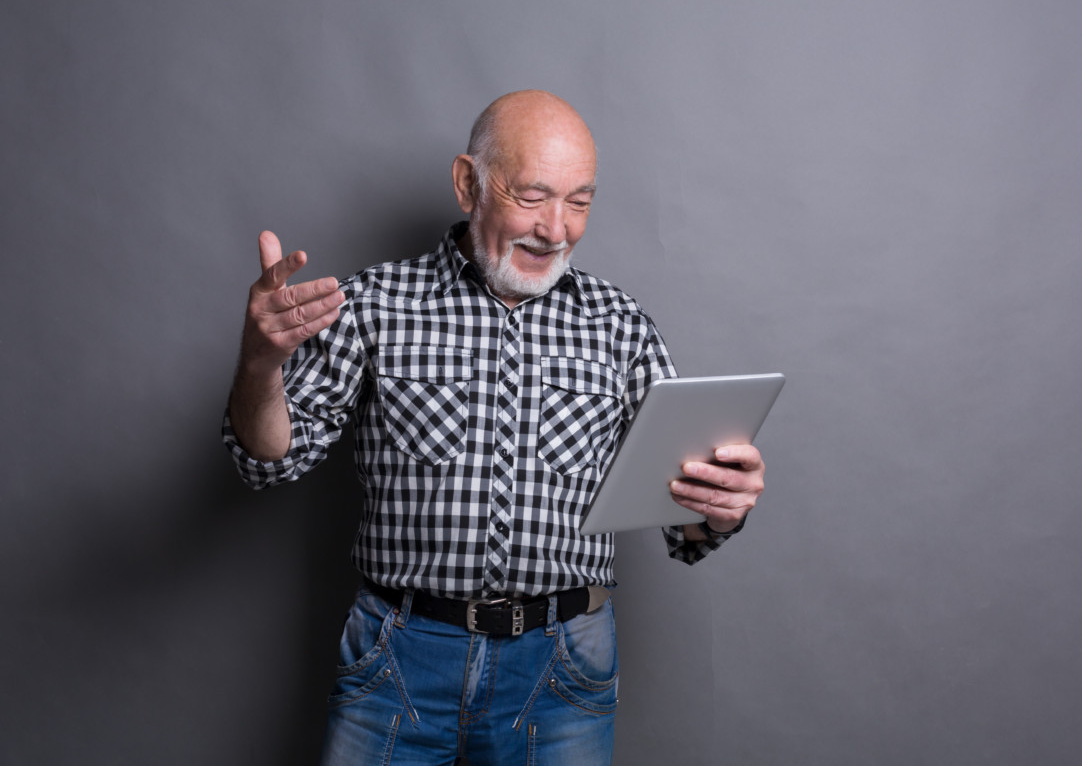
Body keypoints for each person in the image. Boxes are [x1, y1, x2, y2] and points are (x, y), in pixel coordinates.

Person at [224, 90, 765, 765]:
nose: (557, 229)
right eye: (533, 196)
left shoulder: (621, 325)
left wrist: (718, 508)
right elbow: (269, 459)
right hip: (399, 658)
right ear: (467, 184)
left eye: (580, 201)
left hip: (563, 667)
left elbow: (682, 526)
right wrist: (259, 364)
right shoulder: (374, 305)